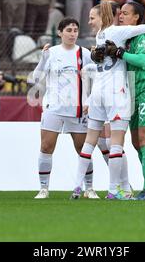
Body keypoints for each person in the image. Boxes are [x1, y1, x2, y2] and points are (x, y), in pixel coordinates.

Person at [71, 1, 145, 200]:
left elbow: (96, 63)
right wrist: (131, 30)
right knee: (116, 143)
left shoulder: (99, 36)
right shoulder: (118, 32)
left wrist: (96, 56)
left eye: (92, 17)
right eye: (119, 13)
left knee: (89, 142)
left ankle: (77, 186)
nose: (121, 16)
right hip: (116, 94)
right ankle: (113, 190)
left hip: (98, 94)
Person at [31, 17, 100, 199]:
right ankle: (44, 188)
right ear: (60, 32)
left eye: (75, 30)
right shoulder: (51, 52)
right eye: (68, 30)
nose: (72, 34)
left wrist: (90, 100)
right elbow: (35, 78)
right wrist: (43, 59)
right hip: (53, 107)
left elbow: (99, 76)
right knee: (46, 146)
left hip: (77, 109)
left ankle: (89, 188)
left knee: (82, 148)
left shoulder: (84, 53)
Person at [114, 1, 145, 200]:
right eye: (121, 13)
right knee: (136, 142)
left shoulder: (141, 36)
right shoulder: (123, 38)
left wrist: (121, 54)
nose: (121, 16)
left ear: (136, 18)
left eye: (126, 13)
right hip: (134, 91)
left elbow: (143, 61)